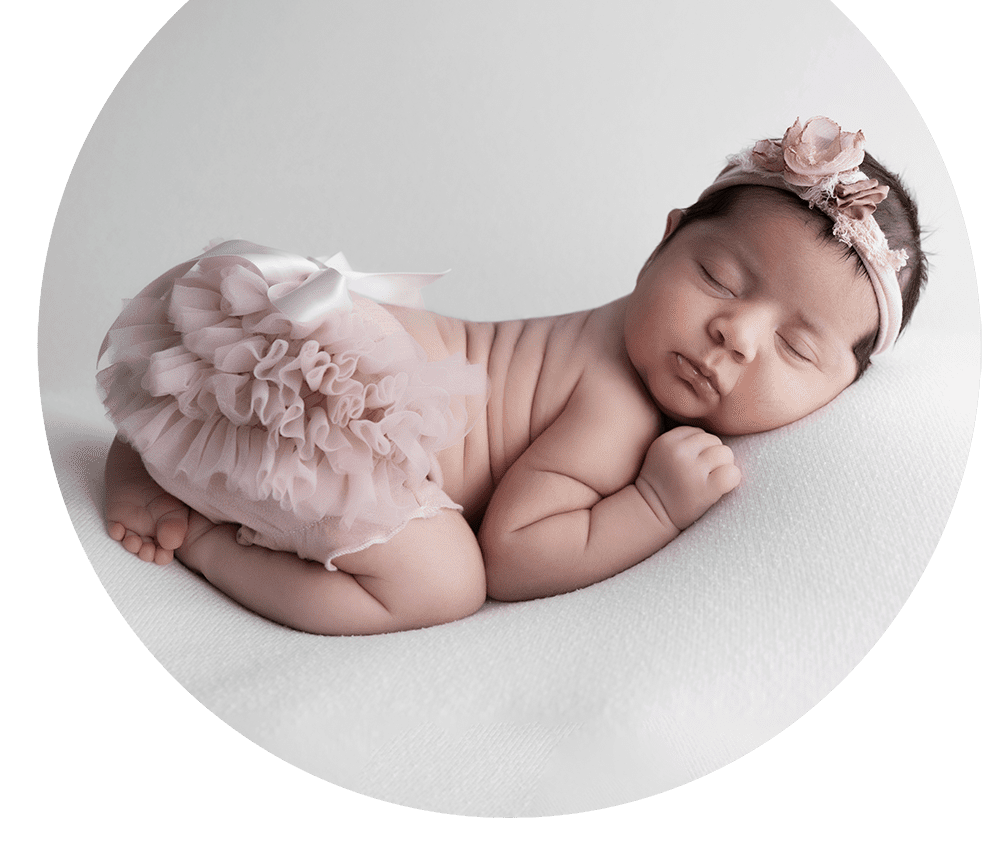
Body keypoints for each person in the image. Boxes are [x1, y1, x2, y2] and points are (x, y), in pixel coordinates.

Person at [98, 117, 927, 635]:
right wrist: (653, 504)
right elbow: (514, 551)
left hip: (297, 354)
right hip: (346, 417)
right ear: (665, 240)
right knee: (444, 586)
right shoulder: (619, 402)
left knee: (242, 404)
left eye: (796, 348)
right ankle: (204, 535)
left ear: (840, 395)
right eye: (717, 277)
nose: (735, 335)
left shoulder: (620, 336)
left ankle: (156, 448)